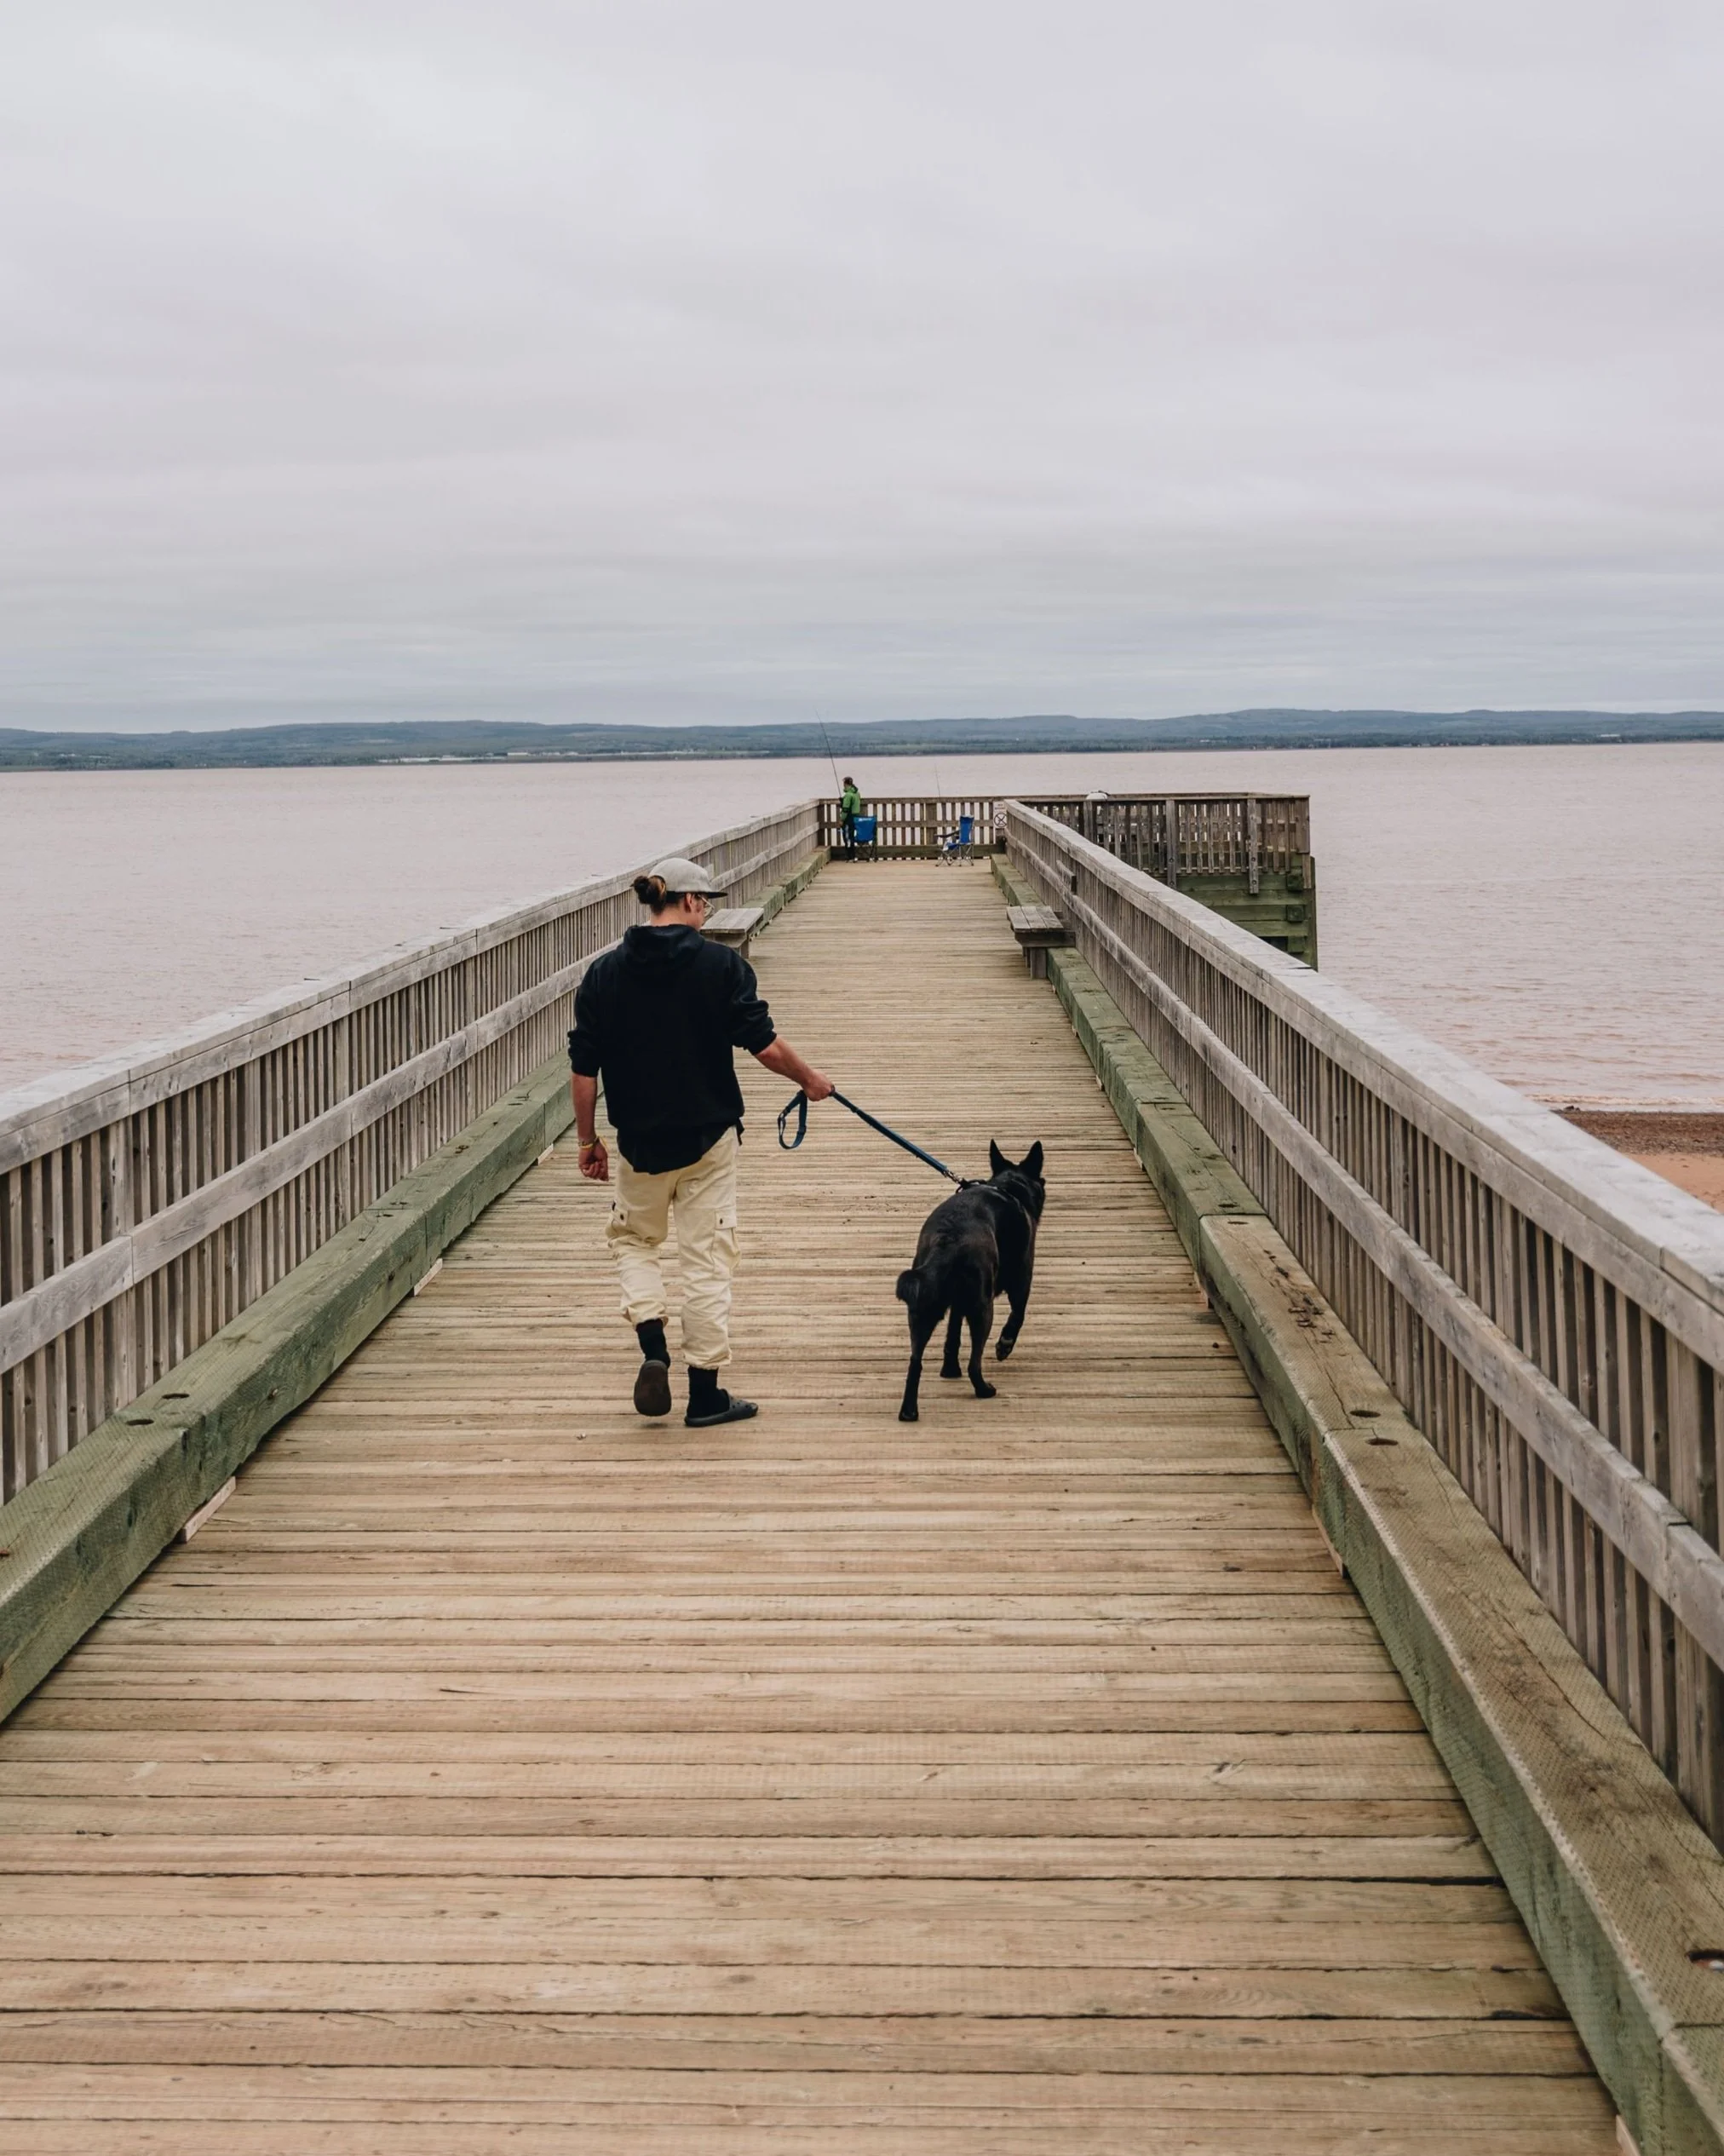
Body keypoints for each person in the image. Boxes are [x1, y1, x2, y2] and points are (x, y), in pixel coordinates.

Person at [568, 855, 834, 1428]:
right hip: (708, 1139)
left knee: (634, 1240)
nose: (708, 911)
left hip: (638, 1140)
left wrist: (588, 1139)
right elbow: (763, 1045)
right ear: (687, 901)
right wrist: (810, 1079)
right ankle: (707, 1394)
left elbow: (583, 1070)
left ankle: (654, 1348)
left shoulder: (604, 975)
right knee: (707, 1260)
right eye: (705, 901)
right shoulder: (719, 967)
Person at [839, 774, 865, 859]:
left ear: (846, 784)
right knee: (852, 835)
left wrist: (842, 820)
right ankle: (853, 855)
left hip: (849, 819)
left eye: (844, 784)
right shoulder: (857, 794)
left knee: (847, 836)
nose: (843, 786)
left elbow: (845, 809)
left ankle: (850, 855)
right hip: (856, 817)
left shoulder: (848, 795)